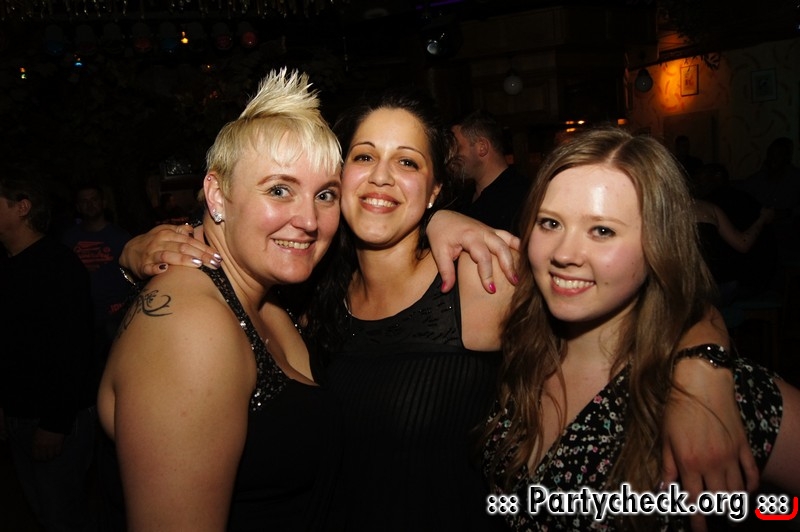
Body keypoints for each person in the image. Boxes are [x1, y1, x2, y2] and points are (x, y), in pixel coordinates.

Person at [125, 98, 756, 531]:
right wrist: (135, 255)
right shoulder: (308, 294)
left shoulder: (483, 278)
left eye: (408, 162)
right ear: (340, 184)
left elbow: (651, 298)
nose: (381, 177)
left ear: (432, 191)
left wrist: (702, 370)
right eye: (364, 157)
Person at [482, 127, 800, 531]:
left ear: (657, 245)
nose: (564, 253)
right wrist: (440, 219)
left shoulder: (717, 394)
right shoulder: (513, 347)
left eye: (602, 230)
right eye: (550, 223)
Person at [98, 69, 347, 531]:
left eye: (326, 194)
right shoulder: (192, 326)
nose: (310, 220)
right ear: (217, 195)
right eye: (279, 190)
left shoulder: (267, 292)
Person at [0, 173, 97, 532]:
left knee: (63, 518)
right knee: (43, 513)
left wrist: (55, 424)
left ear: (22, 207)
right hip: (20, 414)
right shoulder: (7, 264)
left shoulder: (57, 265)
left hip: (55, 420)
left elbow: (72, 349)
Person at [61, 182, 132, 363]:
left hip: (115, 315)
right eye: (84, 201)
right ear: (78, 207)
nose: (90, 204)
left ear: (103, 203)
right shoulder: (68, 239)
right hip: (83, 316)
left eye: (94, 199)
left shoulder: (121, 237)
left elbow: (133, 276)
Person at [451, 109, 530, 234]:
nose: (451, 156)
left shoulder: (523, 199)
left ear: (482, 147)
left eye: (456, 148)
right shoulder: (461, 197)